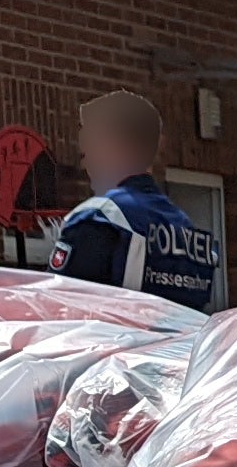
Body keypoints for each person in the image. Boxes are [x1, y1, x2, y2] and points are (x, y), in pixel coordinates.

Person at [45, 92, 221, 311]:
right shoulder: (183, 226)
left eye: (86, 154)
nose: (85, 165)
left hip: (114, 343)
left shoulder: (101, 216)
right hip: (183, 344)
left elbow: (59, 309)